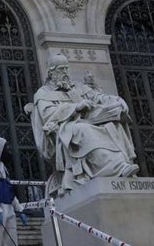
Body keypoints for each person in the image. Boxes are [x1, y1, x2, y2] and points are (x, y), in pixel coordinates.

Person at [27, 52, 138, 197]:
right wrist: (75, 107)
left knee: (112, 125)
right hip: (65, 128)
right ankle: (115, 167)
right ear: (51, 72)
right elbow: (48, 115)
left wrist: (116, 101)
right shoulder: (43, 93)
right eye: (60, 69)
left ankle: (121, 165)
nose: (65, 72)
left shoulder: (78, 87)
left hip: (89, 122)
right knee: (83, 129)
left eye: (66, 68)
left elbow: (98, 97)